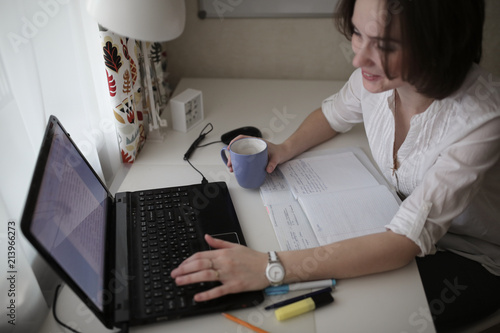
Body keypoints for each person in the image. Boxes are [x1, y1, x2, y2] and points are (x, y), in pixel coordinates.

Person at [171, 0, 500, 330]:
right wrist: (283, 149)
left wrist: (269, 266)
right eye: (358, 33)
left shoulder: (481, 119)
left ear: (439, 43)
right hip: (402, 222)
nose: (359, 58)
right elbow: (333, 115)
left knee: (360, 317)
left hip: (470, 256)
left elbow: (403, 243)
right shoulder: (374, 79)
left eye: (385, 45)